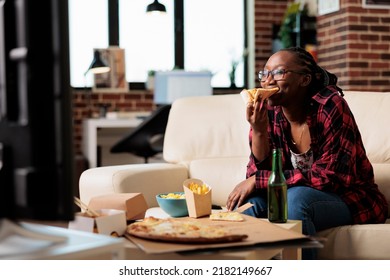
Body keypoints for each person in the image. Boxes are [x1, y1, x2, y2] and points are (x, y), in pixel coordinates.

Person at [226, 47, 388, 259]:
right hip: (292, 193)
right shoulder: (271, 112)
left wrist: (260, 180)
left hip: (348, 197)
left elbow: (329, 178)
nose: (268, 81)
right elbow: (261, 175)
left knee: (296, 200)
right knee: (249, 206)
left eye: (279, 72)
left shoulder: (330, 106)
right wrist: (258, 130)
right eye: (265, 73)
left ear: (304, 80)